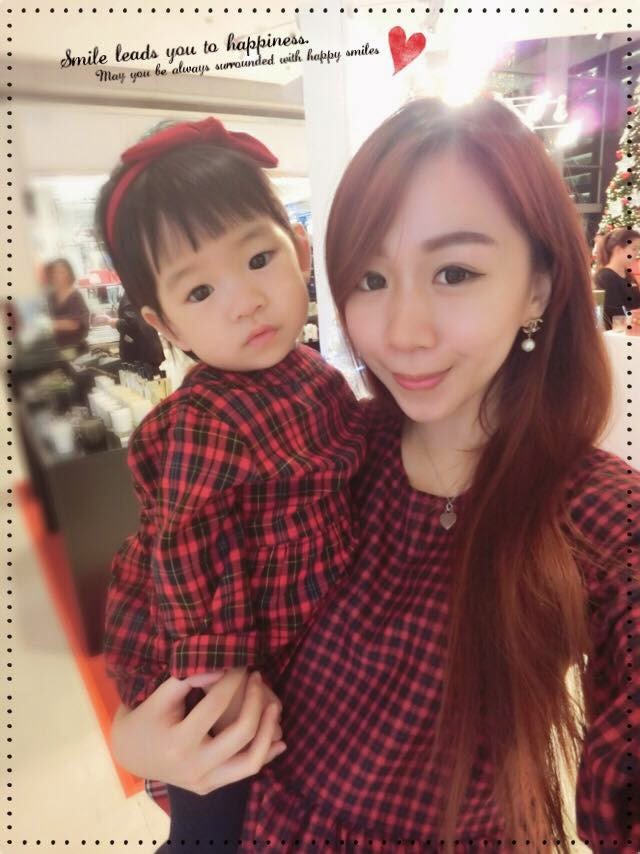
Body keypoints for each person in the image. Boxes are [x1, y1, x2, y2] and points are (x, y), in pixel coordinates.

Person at [108, 96, 640, 852]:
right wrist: (135, 738)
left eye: (454, 271)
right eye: (370, 278)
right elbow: (162, 592)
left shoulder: (590, 510)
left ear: (540, 284)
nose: (402, 333)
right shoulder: (317, 456)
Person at [95, 117, 367, 850]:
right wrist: (216, 670)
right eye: (200, 290)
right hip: (211, 641)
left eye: (257, 258)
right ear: (165, 324)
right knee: (219, 786)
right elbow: (186, 547)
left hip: (294, 613)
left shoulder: (315, 373)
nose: (244, 300)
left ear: (299, 250)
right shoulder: (204, 419)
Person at [593, 227, 640, 328]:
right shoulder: (605, 277)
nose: (637, 253)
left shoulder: (629, 277)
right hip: (615, 333)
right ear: (618, 250)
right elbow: (614, 313)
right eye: (634, 249)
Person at [43, 257, 90, 350]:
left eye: (61, 272)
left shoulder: (75, 296)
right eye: (54, 272)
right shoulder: (51, 296)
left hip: (74, 347)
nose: (56, 275)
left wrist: (50, 324)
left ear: (69, 274)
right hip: (58, 346)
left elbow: (75, 323)